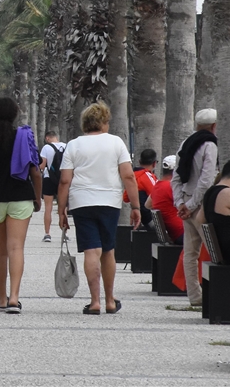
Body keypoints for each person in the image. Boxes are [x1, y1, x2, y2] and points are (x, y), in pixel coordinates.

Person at [57, 102, 140, 315]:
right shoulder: (116, 143)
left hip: (82, 202)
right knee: (108, 250)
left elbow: (65, 180)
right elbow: (128, 176)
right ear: (104, 122)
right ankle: (110, 300)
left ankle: (94, 302)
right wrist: (135, 206)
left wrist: (62, 210)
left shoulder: (74, 145)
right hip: (109, 202)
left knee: (90, 250)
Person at [0, 97, 41, 313]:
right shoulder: (23, 137)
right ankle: (15, 297)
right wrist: (38, 197)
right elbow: (35, 171)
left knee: (0, 251)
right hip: (21, 197)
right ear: (14, 115)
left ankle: (2, 298)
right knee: (16, 248)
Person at [172, 108, 219, 307]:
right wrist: (192, 206)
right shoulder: (210, 145)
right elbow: (206, 180)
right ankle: (217, 293)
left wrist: (180, 203)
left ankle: (195, 296)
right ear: (214, 126)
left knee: (190, 253)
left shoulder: (186, 143)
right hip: (200, 206)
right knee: (214, 250)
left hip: (186, 200)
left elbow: (176, 176)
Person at [146, 156, 185, 244]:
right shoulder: (172, 187)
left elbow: (147, 205)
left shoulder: (157, 186)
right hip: (181, 232)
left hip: (173, 233)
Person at [38, 131, 65, 242]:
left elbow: (42, 166)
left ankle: (47, 233)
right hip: (63, 180)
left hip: (49, 179)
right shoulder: (65, 146)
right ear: (56, 137)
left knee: (48, 208)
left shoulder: (46, 148)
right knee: (63, 208)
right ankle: (64, 233)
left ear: (47, 138)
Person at [127, 149, 159, 227]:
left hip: (140, 217)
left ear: (139, 161)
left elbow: (125, 197)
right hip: (151, 218)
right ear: (154, 163)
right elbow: (157, 197)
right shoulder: (148, 177)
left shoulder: (133, 176)